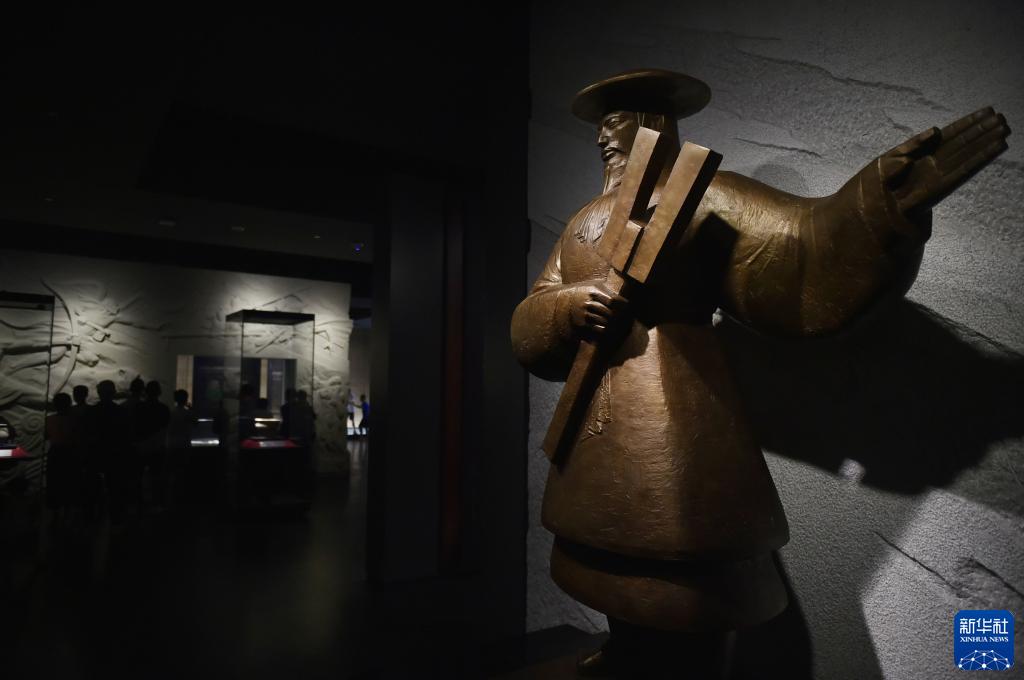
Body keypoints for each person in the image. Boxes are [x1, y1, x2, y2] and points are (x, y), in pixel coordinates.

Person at [510, 69, 1009, 676]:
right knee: (605, 556)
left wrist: (878, 207)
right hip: (599, 422)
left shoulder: (703, 195)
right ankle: (628, 656)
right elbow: (537, 307)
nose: (601, 138)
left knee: (689, 571)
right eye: (599, 127)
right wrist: (568, 308)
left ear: (651, 122)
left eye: (614, 122)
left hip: (680, 412)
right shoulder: (584, 221)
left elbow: (796, 250)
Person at [45, 393, 76, 518]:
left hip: (55, 452)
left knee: (54, 481)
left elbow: (46, 436)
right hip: (69, 452)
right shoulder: (74, 420)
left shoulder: (49, 419)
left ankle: (55, 510)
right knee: (68, 481)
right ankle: (67, 508)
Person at [165, 389, 193, 508]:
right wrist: (191, 409)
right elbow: (195, 422)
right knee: (182, 472)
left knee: (173, 472)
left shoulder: (171, 412)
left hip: (172, 445)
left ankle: (172, 498)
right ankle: (181, 497)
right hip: (184, 445)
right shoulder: (187, 413)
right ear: (185, 399)